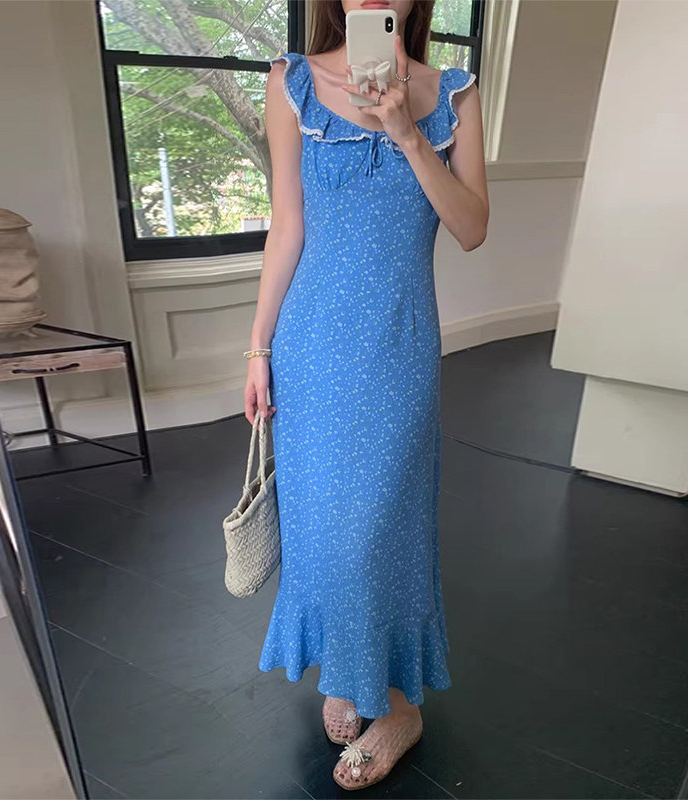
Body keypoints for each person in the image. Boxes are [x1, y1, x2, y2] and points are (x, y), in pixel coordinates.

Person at [243, 0, 488, 790]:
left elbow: (472, 227)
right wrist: (258, 347)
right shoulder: (292, 83)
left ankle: (400, 709)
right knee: (322, 529)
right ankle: (349, 678)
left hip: (397, 350)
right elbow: (287, 226)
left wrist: (408, 134)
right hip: (310, 348)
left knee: (381, 527)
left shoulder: (454, 93)